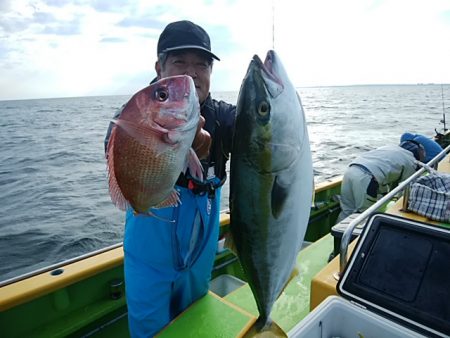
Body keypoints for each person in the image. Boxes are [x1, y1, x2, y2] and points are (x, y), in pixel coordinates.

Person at [104, 20, 236, 337]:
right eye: (180, 62)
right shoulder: (140, 110)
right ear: (159, 67)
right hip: (148, 251)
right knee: (149, 328)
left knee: (195, 322)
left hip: (201, 251)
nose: (191, 72)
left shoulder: (224, 116)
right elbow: (116, 136)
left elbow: (261, 132)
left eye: (201, 64)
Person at [337, 140, 426, 222]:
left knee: (347, 210)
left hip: (351, 170)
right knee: (365, 214)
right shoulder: (411, 160)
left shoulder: (389, 147)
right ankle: (356, 238)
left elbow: (385, 170)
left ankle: (336, 236)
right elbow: (406, 187)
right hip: (366, 177)